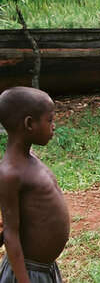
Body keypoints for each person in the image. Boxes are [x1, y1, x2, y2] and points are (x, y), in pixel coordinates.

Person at [0, 87, 69, 283]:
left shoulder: (30, 160)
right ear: (29, 124)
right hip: (28, 273)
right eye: (50, 120)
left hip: (44, 268)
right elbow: (10, 235)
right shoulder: (10, 173)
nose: (53, 126)